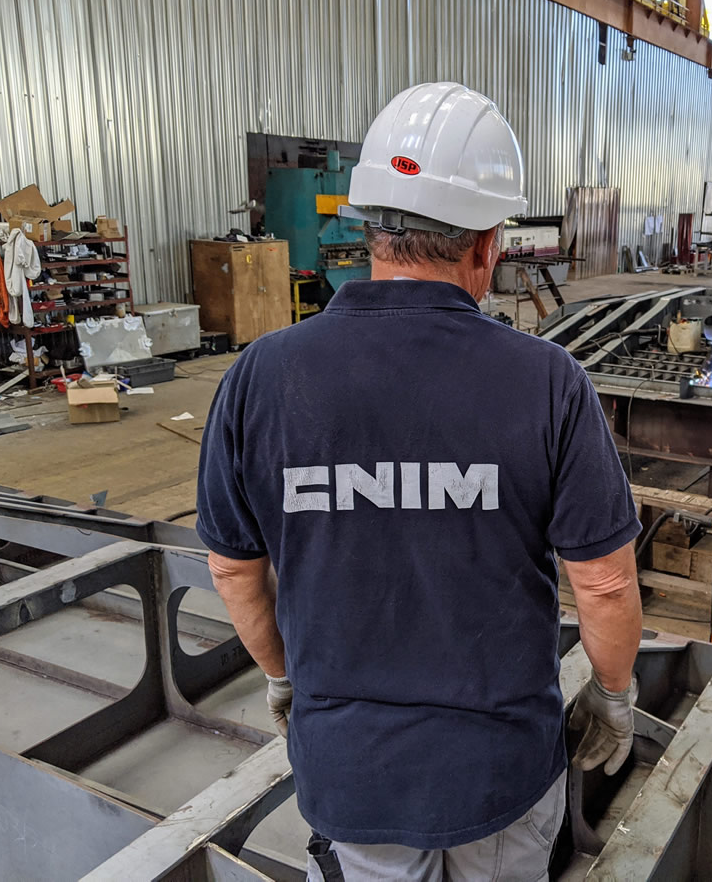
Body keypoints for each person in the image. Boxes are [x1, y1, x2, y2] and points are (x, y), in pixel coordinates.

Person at [195, 82, 644, 882]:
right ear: (487, 244)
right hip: (499, 770)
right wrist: (611, 695)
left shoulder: (260, 376)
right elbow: (604, 584)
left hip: (351, 771)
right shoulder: (547, 381)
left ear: (369, 226)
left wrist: (283, 676)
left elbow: (233, 569)